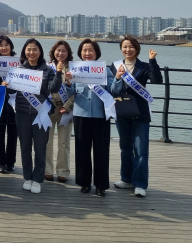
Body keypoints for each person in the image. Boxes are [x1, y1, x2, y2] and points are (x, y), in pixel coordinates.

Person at [2, 38, 60, 194]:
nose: (31, 52)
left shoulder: (47, 70)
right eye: (28, 49)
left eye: (35, 49)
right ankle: (27, 176)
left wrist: (59, 73)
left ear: (40, 51)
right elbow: (11, 92)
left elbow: (53, 88)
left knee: (40, 148)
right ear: (24, 52)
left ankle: (38, 178)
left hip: (40, 113)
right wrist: (5, 86)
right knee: (25, 147)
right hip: (22, 113)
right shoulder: (18, 69)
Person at [110, 37, 162, 197]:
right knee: (125, 148)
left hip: (140, 113)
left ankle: (139, 183)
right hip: (123, 112)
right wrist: (118, 77)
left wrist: (152, 61)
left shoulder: (144, 66)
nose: (128, 50)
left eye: (131, 47)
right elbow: (113, 89)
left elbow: (157, 80)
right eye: (125, 47)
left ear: (137, 49)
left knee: (141, 150)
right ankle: (126, 179)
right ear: (121, 49)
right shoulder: (115, 66)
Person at [64, 39, 114, 196]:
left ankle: (101, 185)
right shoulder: (76, 70)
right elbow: (69, 93)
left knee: (101, 151)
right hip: (81, 114)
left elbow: (113, 89)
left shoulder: (105, 70)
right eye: (84, 50)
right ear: (80, 52)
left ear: (96, 52)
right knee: (82, 150)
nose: (87, 53)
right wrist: (68, 82)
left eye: (90, 50)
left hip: (101, 115)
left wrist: (118, 78)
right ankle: (84, 182)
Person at [45, 40, 75, 183]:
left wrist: (68, 106)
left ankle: (63, 171)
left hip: (66, 110)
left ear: (68, 53)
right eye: (58, 50)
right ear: (53, 51)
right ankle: (47, 170)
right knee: (47, 141)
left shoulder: (75, 68)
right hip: (49, 109)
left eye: (64, 51)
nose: (60, 53)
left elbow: (77, 91)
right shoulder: (47, 67)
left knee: (64, 143)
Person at [0, 35, 17, 173]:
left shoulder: (18, 61)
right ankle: (0, 162)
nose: (4, 47)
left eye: (7, 44)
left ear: (11, 46)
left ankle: (10, 161)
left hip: (14, 100)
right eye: (1, 45)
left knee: (13, 131)